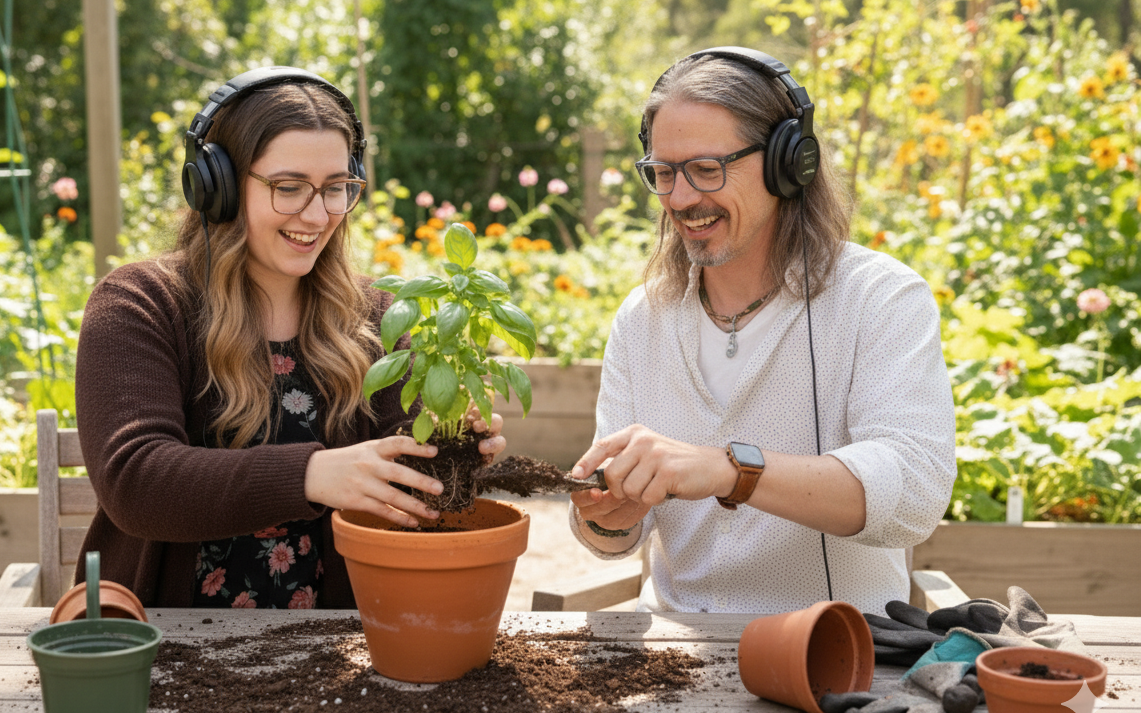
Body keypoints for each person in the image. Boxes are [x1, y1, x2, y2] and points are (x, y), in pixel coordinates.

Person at [73, 68, 505, 609]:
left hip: (329, 646)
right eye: (289, 187)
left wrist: (451, 449)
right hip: (165, 643)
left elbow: (404, 483)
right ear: (219, 186)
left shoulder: (378, 313)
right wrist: (310, 474)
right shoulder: (141, 303)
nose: (318, 214)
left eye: (335, 188)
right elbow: (135, 481)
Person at [566, 48, 956, 615]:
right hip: (684, 655)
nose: (679, 199)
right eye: (664, 173)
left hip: (841, 659)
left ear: (786, 163)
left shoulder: (881, 298)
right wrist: (609, 520)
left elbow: (915, 493)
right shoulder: (642, 317)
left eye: (706, 170)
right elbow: (622, 537)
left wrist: (730, 470)